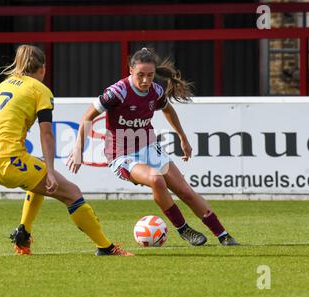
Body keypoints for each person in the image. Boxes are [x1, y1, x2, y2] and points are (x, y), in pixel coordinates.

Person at [0, 44, 133, 256]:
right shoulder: (40, 90)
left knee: (36, 178)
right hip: (9, 160)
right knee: (72, 194)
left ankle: (23, 233)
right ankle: (106, 248)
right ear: (43, 69)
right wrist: (50, 170)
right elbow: (46, 133)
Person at [67, 47, 239, 246]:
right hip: (122, 155)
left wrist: (182, 137)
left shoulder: (156, 91)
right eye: (140, 75)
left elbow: (168, 110)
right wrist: (78, 147)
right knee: (156, 179)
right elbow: (87, 116)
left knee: (185, 192)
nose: (145, 81)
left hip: (150, 148)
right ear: (130, 70)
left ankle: (223, 235)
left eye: (149, 75)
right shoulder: (117, 92)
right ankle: (183, 229)